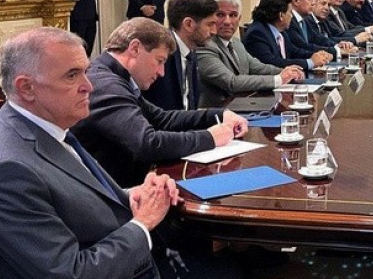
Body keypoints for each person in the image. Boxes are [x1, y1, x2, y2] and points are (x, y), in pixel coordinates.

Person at [0, 27, 252, 279]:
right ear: (26, 88)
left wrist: (131, 195)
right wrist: (143, 223)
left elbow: (70, 195)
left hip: (112, 273)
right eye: (72, 76)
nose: (89, 86)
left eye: (85, 71)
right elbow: (71, 277)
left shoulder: (42, 126)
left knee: (224, 276)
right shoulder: (8, 170)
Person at [72, 17, 248, 188]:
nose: (162, 72)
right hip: (117, 195)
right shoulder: (106, 84)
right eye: (159, 61)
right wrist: (210, 138)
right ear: (135, 48)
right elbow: (148, 144)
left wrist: (218, 114)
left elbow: (162, 119)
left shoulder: (116, 78)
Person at [197, 0, 305, 108]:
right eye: (220, 15)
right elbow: (231, 82)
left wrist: (287, 72)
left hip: (243, 107)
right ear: (210, 18)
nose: (227, 21)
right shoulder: (204, 46)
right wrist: (278, 79)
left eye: (233, 15)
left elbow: (258, 67)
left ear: (239, 19)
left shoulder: (236, 43)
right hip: (217, 113)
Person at [142, 0, 218, 111]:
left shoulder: (191, 51)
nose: (214, 31)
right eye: (210, 24)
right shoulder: (160, 56)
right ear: (188, 24)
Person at [243, 0, 331, 71]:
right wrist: (310, 62)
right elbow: (272, 62)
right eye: (290, 12)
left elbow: (294, 52)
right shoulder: (257, 33)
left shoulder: (281, 32)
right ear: (281, 15)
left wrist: (318, 55)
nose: (291, 16)